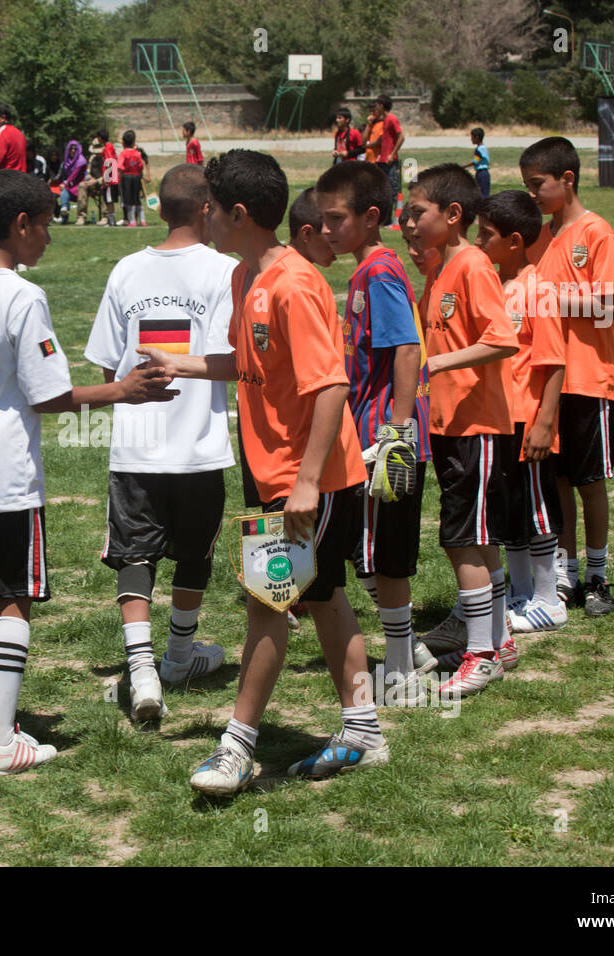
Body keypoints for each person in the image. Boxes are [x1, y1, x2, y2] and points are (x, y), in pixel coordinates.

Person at [139, 150, 382, 794]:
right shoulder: (245, 278)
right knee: (324, 597)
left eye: (212, 208)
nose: (205, 217)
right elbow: (249, 365)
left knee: (266, 604)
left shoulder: (296, 284)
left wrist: (304, 482)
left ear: (237, 213)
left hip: (310, 478)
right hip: (272, 470)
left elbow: (329, 387)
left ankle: (237, 748)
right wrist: (181, 365)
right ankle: (363, 730)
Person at [0, 170, 176, 778]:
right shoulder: (20, 297)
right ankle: (2, 741)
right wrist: (123, 389)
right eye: (45, 225)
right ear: (19, 226)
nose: (49, 238)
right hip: (2, 479)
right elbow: (49, 395)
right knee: (13, 598)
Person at [84, 164, 235, 722]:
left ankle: (143, 669)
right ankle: (177, 655)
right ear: (206, 209)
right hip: (198, 446)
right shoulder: (226, 271)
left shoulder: (127, 269)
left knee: (134, 552)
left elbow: (105, 362)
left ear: (158, 209)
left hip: (136, 444)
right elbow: (230, 360)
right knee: (194, 553)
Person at [315, 161, 432, 701]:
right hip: (372, 433)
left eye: (336, 219)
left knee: (385, 554)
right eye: (321, 219)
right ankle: (410, 653)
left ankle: (404, 668)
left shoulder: (380, 271)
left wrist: (397, 430)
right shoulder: (366, 270)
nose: (326, 229)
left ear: (370, 217)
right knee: (374, 550)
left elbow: (407, 347)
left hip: (387, 438)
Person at [407, 164, 519, 698]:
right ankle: (498, 640)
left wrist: (440, 365)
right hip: (450, 426)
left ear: (452, 216)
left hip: (478, 427)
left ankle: (480, 656)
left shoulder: (473, 265)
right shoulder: (439, 271)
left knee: (462, 541)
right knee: (477, 540)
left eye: (417, 213)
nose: (408, 223)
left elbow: (503, 340)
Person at [520, 136, 614, 617]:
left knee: (588, 481)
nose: (533, 193)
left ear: (567, 179)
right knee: (556, 480)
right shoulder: (540, 236)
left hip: (588, 377)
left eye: (537, 184)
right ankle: (565, 571)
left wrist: (553, 299)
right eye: (527, 185)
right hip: (547, 377)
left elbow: (607, 306)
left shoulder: (596, 232)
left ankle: (599, 576)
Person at [474, 190, 569, 638]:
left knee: (537, 508)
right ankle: (521, 592)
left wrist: (545, 422)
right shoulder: (493, 284)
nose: (477, 240)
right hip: (497, 418)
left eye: (485, 234)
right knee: (508, 509)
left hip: (527, 419)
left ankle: (550, 599)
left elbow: (553, 360)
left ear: (514, 241)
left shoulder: (540, 288)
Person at [372, 96, 405, 226]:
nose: (375, 108)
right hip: (382, 160)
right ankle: (387, 220)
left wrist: (392, 154)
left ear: (381, 105)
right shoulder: (384, 120)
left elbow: (401, 137)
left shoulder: (392, 118)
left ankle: (399, 220)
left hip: (390, 161)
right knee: (385, 190)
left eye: (376, 105)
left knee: (393, 189)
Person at [287, 187, 335, 268]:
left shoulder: (280, 264)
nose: (337, 252)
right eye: (332, 241)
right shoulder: (298, 277)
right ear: (306, 233)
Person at [119, 130, 147, 227]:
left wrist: (121, 176)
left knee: (128, 200)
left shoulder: (123, 153)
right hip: (136, 177)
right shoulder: (137, 153)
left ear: (123, 142)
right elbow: (140, 166)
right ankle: (143, 220)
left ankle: (132, 221)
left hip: (127, 177)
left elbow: (120, 167)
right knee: (137, 199)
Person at [55, 139, 87, 223]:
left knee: (64, 190)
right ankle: (64, 215)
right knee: (64, 193)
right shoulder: (67, 161)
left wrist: (65, 183)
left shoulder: (81, 160)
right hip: (71, 185)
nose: (73, 150)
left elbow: (75, 174)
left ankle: (66, 213)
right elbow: (64, 175)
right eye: (71, 148)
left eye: (75, 149)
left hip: (80, 186)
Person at [464, 127, 491, 198]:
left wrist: (463, 166)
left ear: (477, 137)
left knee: (481, 195)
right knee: (486, 193)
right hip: (486, 173)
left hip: (481, 174)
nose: (471, 139)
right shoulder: (484, 148)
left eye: (472, 137)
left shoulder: (479, 150)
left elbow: (475, 161)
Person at [100, 130, 121, 226]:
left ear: (100, 138)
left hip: (110, 180)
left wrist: (106, 179)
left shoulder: (107, 147)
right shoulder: (109, 146)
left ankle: (111, 221)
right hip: (112, 178)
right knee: (109, 200)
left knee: (109, 200)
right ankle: (111, 220)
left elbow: (109, 163)